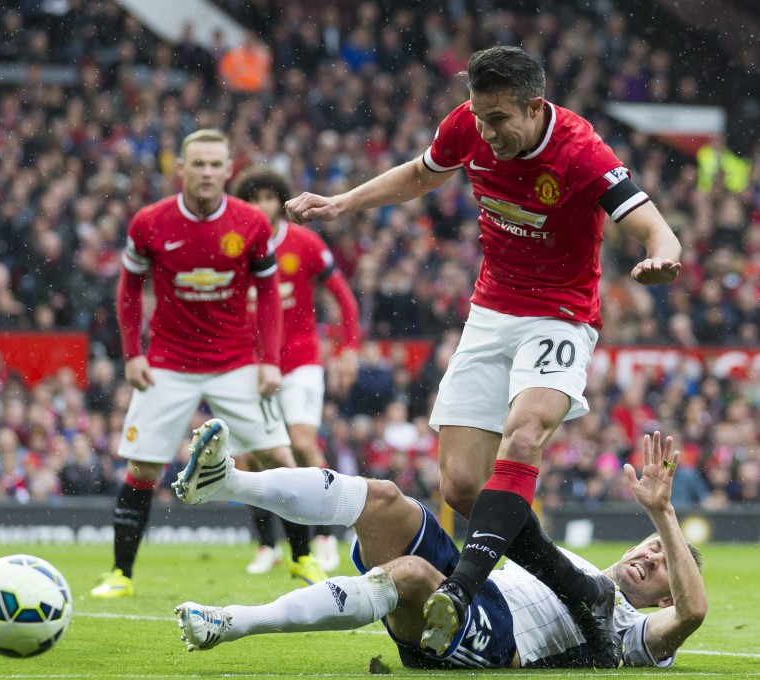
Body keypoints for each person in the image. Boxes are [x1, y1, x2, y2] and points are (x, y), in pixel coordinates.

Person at [284, 45, 682, 665]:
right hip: (491, 313)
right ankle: (582, 592)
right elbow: (421, 174)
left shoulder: (580, 151)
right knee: (465, 487)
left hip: (560, 315)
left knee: (522, 439)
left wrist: (661, 255)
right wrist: (342, 203)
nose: (486, 132)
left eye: (499, 119)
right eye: (477, 114)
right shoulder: (467, 124)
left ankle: (461, 590)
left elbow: (653, 223)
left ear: (533, 105)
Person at [173, 421, 707, 669]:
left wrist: (662, 515)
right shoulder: (576, 565)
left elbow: (693, 613)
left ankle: (233, 622)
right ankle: (227, 484)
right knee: (384, 498)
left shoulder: (632, 630)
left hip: (498, 641)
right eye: (651, 546)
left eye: (660, 564)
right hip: (470, 585)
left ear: (665, 596)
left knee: (408, 575)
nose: (647, 556)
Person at [90, 129, 325, 599]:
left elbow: (269, 297)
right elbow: (130, 289)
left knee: (279, 457)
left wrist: (270, 361)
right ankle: (121, 575)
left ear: (227, 170)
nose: (206, 173)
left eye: (215, 165)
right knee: (142, 469)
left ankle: (302, 560)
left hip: (236, 361)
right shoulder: (150, 222)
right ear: (181, 168)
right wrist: (133, 354)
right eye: (197, 164)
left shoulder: (252, 224)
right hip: (168, 362)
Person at [231, 166, 360, 573]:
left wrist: (348, 349)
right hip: (250, 364)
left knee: (303, 442)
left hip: (301, 359)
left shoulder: (304, 243)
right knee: (251, 456)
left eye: (269, 197)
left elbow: (344, 297)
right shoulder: (233, 246)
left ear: (281, 201)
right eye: (253, 197)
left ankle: (324, 535)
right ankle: (268, 545)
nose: (261, 205)